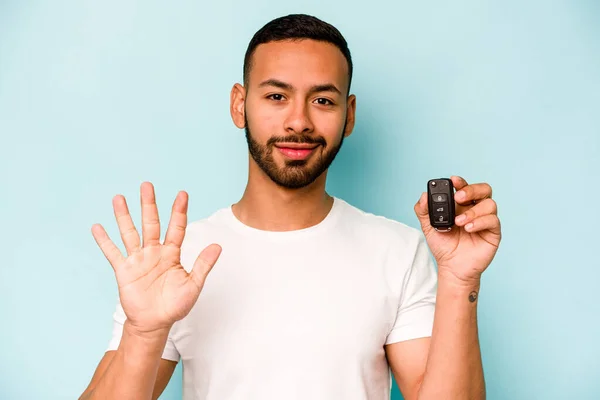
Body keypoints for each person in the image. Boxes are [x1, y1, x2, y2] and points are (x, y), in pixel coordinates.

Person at [79, 13, 501, 400]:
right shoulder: (175, 262)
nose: (298, 121)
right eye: (277, 96)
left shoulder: (397, 251)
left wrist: (460, 280)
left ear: (348, 115)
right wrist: (143, 331)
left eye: (322, 100)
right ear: (239, 104)